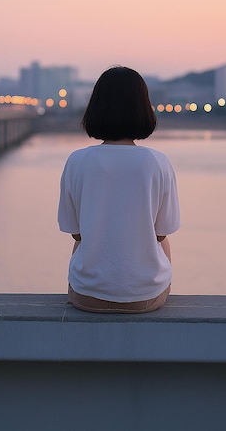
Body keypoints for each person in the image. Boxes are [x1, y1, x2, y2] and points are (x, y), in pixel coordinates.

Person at [58, 66, 180, 313]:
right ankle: (146, 284)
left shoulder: (76, 161)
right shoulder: (157, 162)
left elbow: (76, 234)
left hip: (86, 297)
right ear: (144, 109)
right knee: (162, 243)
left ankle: (96, 283)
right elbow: (160, 233)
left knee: (83, 245)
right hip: (144, 299)